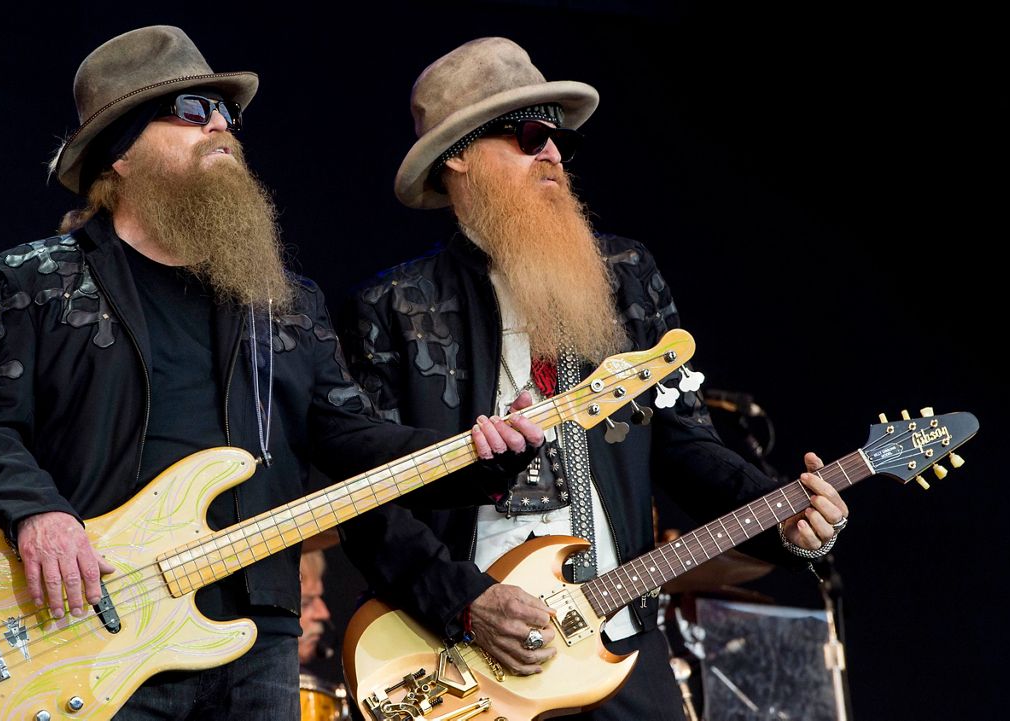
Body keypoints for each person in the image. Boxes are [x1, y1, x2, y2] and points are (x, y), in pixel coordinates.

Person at [0, 26, 542, 721]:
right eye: (192, 110)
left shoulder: (283, 302)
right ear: (121, 154)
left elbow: (354, 441)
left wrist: (475, 454)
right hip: (92, 626)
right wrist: (39, 514)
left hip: (256, 638)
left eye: (227, 113)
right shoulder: (38, 279)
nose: (222, 126)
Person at [338, 37, 850, 720]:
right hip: (461, 656)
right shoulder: (393, 307)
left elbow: (690, 447)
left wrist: (787, 519)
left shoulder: (624, 276)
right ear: (456, 154)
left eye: (560, 140)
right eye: (528, 134)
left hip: (618, 641)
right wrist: (466, 602)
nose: (552, 152)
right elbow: (368, 504)